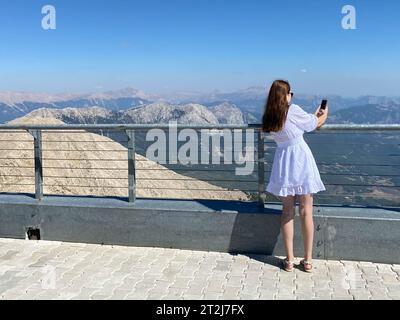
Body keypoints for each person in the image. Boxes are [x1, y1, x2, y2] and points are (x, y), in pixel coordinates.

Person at [261, 80, 328, 273]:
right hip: (301, 161)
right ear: (286, 95)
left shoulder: (270, 116)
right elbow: (314, 124)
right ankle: (307, 260)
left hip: (283, 163)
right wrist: (324, 114)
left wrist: (313, 116)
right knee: (306, 211)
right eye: (291, 93)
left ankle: (289, 260)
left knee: (287, 211)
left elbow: (296, 125)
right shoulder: (293, 109)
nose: (292, 96)